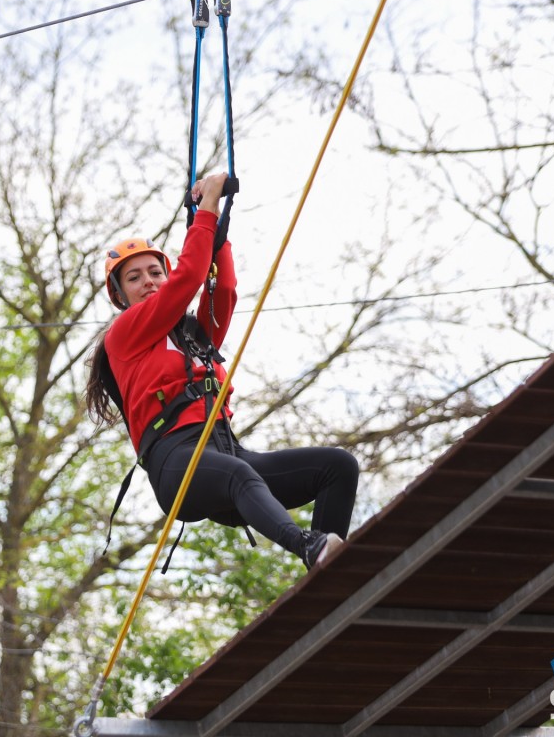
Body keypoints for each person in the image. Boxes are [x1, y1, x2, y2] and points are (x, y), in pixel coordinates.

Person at [85, 172, 359, 569]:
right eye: (134, 277)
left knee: (337, 467)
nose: (148, 282)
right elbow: (189, 278)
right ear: (120, 295)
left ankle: (329, 574)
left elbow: (223, 291)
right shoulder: (125, 334)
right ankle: (308, 546)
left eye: (155, 273)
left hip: (226, 450)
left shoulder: (193, 336)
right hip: (176, 461)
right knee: (238, 474)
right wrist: (207, 211)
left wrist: (219, 238)